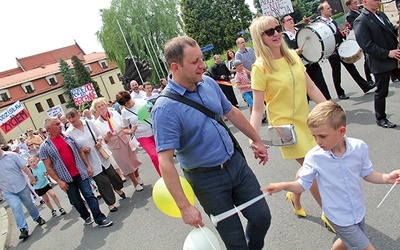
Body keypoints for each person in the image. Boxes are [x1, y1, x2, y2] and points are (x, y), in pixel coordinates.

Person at [152, 36, 271, 249]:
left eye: (201, 58)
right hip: (207, 181)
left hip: (236, 165)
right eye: (195, 61)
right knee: (234, 241)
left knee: (262, 217)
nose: (202, 65)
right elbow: (166, 162)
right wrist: (184, 206)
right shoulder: (164, 108)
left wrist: (256, 139)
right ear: (175, 66)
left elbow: (232, 112)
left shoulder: (207, 82)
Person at [263, 100, 400, 250]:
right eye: (314, 136)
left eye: (322, 136)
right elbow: (302, 184)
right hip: (337, 216)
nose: (317, 141)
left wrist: (387, 178)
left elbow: (367, 173)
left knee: (346, 242)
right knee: (365, 246)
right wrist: (283, 185)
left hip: (357, 210)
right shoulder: (314, 157)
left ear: (341, 131)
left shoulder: (359, 147)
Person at [249, 15, 328, 228]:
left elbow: (310, 87)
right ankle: (329, 214)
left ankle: (295, 197)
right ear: (260, 38)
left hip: (306, 120)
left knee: (308, 166)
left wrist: (330, 109)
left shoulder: (293, 55)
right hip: (286, 128)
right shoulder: (260, 67)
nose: (276, 33)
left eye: (276, 28)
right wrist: (254, 137)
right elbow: (257, 108)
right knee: (314, 170)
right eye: (269, 31)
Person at [40, 117, 113, 227]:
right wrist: (59, 181)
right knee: (76, 201)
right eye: (56, 124)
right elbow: (48, 167)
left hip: (80, 172)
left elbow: (80, 151)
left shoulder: (68, 137)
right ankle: (85, 215)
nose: (60, 125)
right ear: (49, 129)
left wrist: (88, 166)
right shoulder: (45, 146)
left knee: (89, 195)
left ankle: (100, 218)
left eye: (59, 123)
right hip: (66, 178)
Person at [65, 108, 126, 212]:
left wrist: (99, 140)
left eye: (73, 117)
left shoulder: (88, 123)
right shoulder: (69, 133)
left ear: (78, 115)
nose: (71, 120)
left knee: (112, 175)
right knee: (102, 182)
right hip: (90, 160)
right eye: (69, 118)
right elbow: (73, 149)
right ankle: (110, 203)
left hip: (100, 154)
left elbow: (99, 133)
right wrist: (83, 150)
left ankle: (117, 187)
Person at [354, 0, 400, 128]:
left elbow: (390, 29)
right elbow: (366, 45)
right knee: (382, 92)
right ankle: (381, 118)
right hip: (380, 61)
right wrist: (387, 53)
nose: (378, 1)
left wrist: (397, 28)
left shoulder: (381, 15)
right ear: (365, 2)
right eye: (374, 0)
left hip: (394, 57)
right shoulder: (361, 20)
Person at [317, 1, 375, 100]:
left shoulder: (332, 20)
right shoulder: (320, 24)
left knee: (352, 68)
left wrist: (344, 33)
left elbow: (337, 33)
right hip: (332, 51)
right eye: (328, 8)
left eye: (330, 7)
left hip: (341, 48)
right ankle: (340, 92)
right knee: (336, 72)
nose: (331, 9)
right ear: (322, 11)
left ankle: (365, 86)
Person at [92, 98, 144, 191]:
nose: (102, 108)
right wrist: (107, 137)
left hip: (124, 138)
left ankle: (137, 176)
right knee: (125, 164)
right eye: (99, 107)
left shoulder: (114, 114)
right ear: (96, 110)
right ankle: (135, 183)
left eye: (102, 105)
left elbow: (124, 124)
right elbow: (102, 139)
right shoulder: (97, 123)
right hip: (114, 145)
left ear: (106, 105)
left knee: (133, 160)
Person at [280, 14, 332, 100]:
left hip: (312, 64)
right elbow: (285, 53)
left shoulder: (302, 31)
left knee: (322, 87)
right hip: (299, 68)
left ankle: (329, 105)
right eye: (288, 20)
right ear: (283, 24)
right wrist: (295, 52)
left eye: (291, 19)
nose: (291, 21)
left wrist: (309, 24)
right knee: (304, 94)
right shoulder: (283, 37)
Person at [0, 147, 46, 240]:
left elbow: (24, 167)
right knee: (16, 208)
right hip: (8, 191)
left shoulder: (11, 155)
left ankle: (37, 217)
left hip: (21, 186)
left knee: (29, 204)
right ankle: (23, 229)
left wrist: (31, 176)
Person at [116, 91, 161, 176]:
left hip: (155, 131)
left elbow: (155, 112)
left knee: (164, 154)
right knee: (154, 156)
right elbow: (124, 129)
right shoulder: (124, 112)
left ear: (130, 98)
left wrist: (151, 110)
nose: (127, 105)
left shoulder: (142, 102)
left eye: (128, 102)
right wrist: (130, 131)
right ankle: (163, 177)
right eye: (124, 105)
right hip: (142, 136)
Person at [345, 0, 375, 85]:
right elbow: (356, 26)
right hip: (364, 38)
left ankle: (392, 74)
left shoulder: (361, 9)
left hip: (372, 35)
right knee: (368, 58)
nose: (357, 4)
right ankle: (369, 78)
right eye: (354, 3)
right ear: (349, 6)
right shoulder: (350, 16)